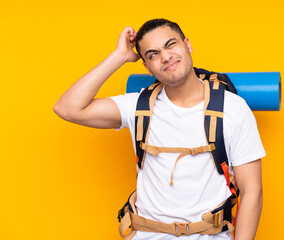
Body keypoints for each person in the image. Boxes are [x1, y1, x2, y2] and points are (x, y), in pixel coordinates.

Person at [53, 18, 266, 240]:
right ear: (146, 66)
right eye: (152, 54)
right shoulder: (137, 106)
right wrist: (119, 56)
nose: (165, 57)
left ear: (188, 44)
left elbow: (252, 192)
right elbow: (67, 108)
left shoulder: (232, 108)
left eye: (170, 44)